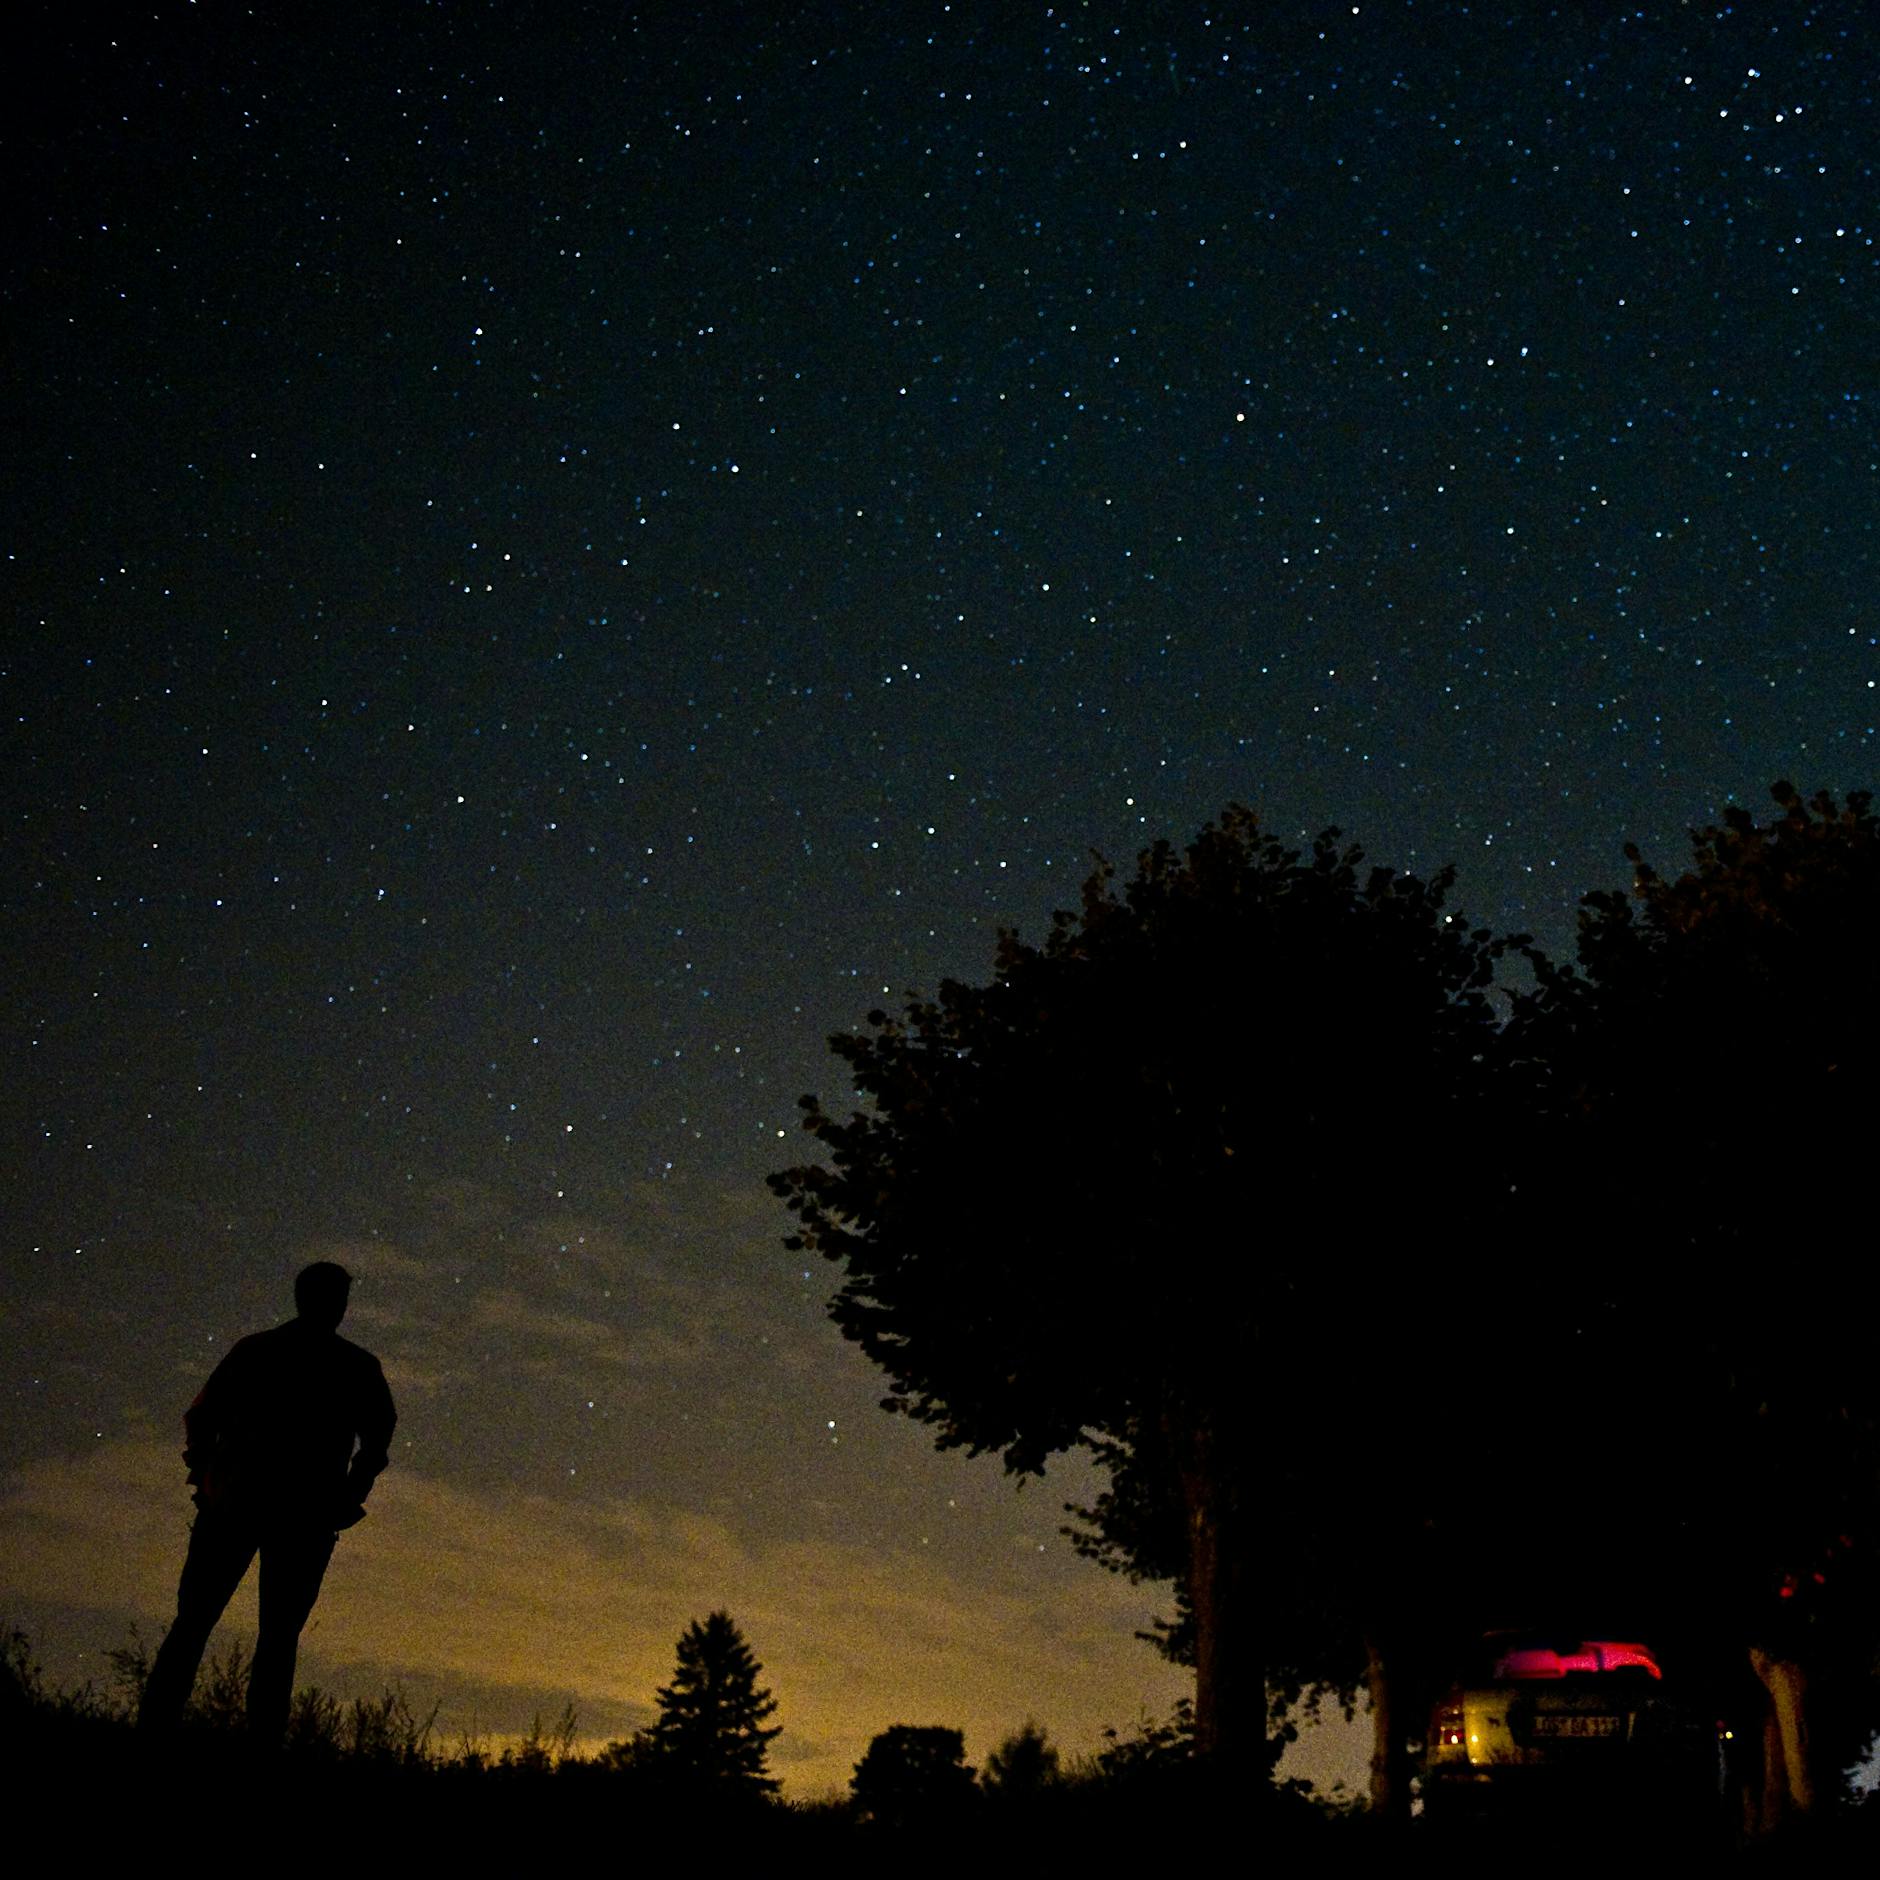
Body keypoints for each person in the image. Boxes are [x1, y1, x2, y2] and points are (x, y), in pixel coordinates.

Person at [139, 1260, 396, 1743]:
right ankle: (254, 1744)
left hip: (246, 1504)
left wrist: (206, 1477)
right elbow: (378, 1439)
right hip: (293, 1512)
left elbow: (202, 1416)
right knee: (267, 1637)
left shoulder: (260, 1351)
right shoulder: (352, 1365)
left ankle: (157, 1729)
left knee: (201, 1625)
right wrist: (349, 1494)